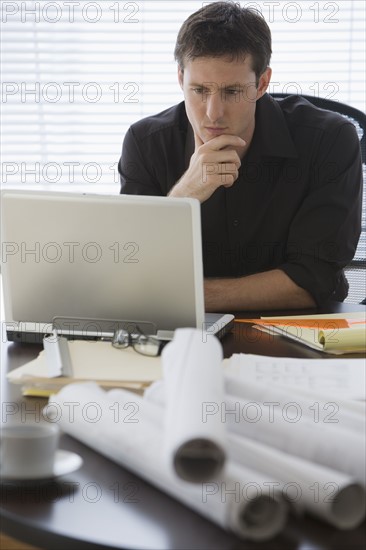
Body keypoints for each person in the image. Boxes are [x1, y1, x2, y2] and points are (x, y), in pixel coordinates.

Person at [118, 1, 362, 312]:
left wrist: (190, 296)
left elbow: (313, 278)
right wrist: (183, 196)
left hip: (298, 329)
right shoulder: (145, 143)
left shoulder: (329, 140)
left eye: (232, 92)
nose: (213, 113)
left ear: (261, 83)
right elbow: (131, 267)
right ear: (180, 78)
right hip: (183, 331)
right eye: (199, 90)